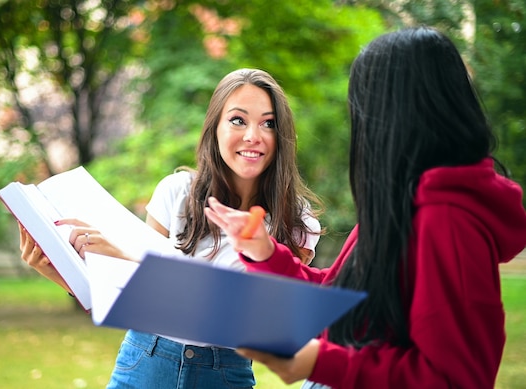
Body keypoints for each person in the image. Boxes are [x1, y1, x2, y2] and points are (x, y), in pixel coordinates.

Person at [204, 27, 526, 389]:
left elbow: (454, 379)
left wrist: (318, 361)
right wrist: (264, 253)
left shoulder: (448, 219)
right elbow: (344, 298)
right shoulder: (406, 199)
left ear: (392, 116)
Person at [18, 68, 323, 388]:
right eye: (237, 120)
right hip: (143, 361)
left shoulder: (296, 222)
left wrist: (127, 261)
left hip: (222, 374)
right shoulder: (176, 192)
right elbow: (137, 304)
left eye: (268, 123)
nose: (252, 135)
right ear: (214, 128)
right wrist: (62, 271)